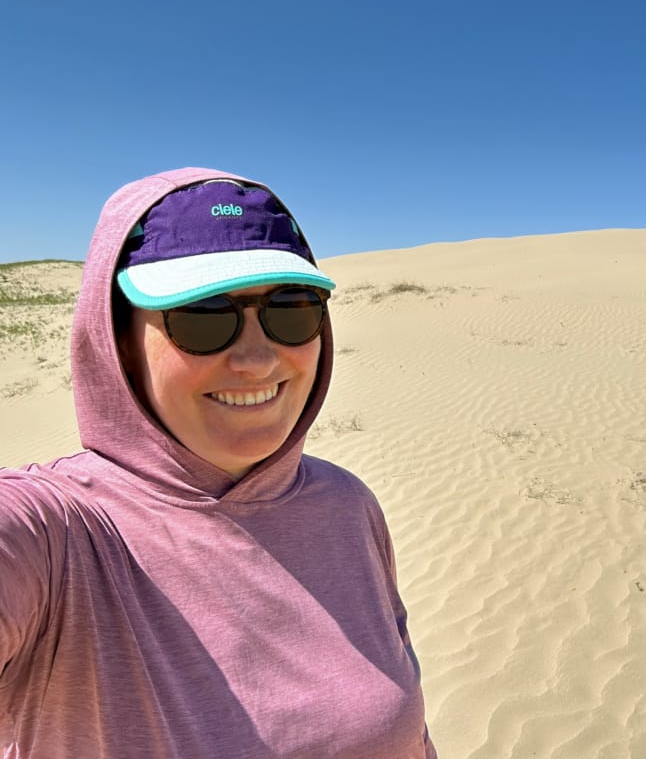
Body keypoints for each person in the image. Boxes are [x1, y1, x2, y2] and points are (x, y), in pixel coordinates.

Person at [0, 168, 437, 758]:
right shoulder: (60, 534)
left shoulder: (348, 506)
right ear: (118, 339)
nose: (258, 360)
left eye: (292, 309)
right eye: (204, 315)